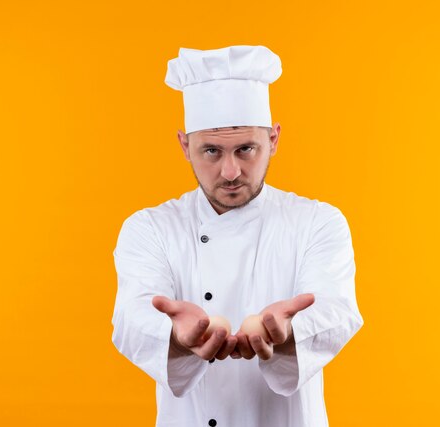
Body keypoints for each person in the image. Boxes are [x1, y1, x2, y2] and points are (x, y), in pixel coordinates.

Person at [111, 45, 364, 427]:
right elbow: (131, 319)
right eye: (211, 151)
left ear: (274, 140)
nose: (230, 172)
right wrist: (178, 338)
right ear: (184, 145)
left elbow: (337, 311)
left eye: (246, 149)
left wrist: (289, 333)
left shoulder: (318, 222)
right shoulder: (149, 229)